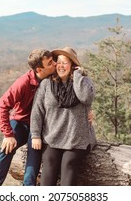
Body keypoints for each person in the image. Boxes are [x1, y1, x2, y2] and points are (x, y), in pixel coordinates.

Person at [0, 48, 56, 186]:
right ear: (39, 70)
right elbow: (1, 106)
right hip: (21, 122)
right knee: (7, 148)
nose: (54, 64)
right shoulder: (23, 83)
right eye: (50, 63)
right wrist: (8, 134)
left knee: (34, 150)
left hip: (40, 125)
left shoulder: (53, 77)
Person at [31, 47, 96, 186]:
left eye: (65, 62)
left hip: (77, 139)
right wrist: (35, 135)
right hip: (52, 137)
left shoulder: (84, 81)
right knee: (49, 164)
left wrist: (78, 75)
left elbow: (86, 98)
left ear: (73, 65)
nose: (60, 66)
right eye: (58, 62)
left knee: (68, 164)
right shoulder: (47, 84)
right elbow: (37, 110)